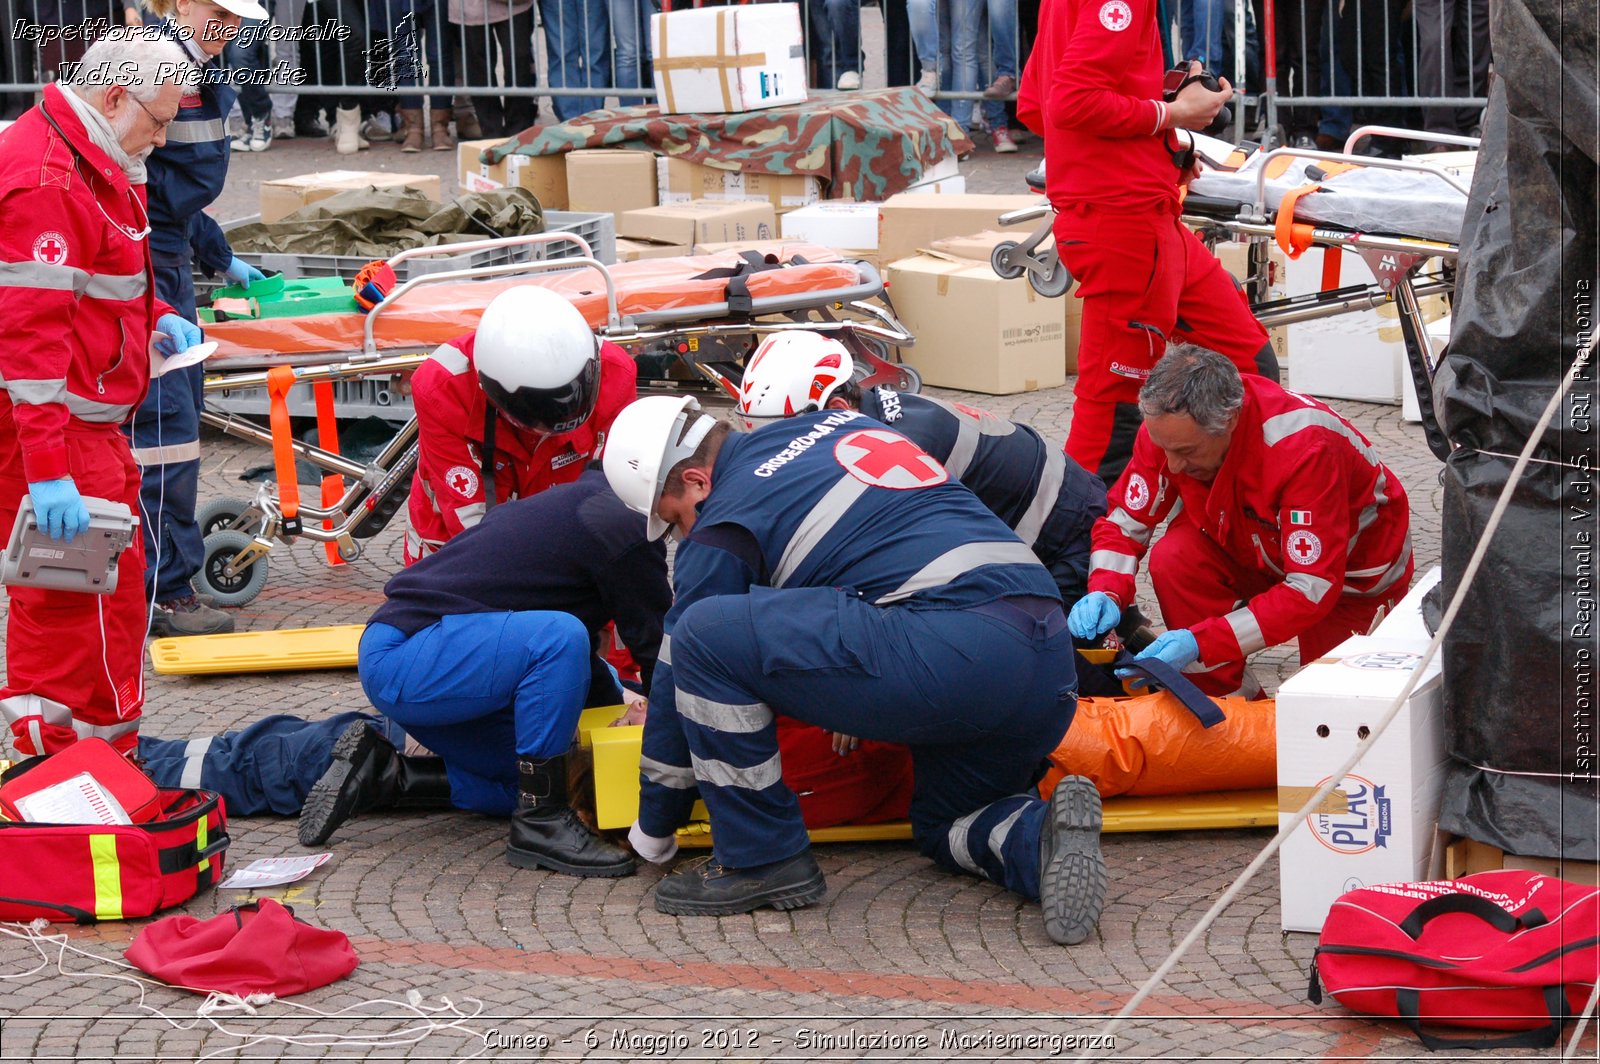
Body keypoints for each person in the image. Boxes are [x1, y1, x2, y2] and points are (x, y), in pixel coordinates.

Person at [603, 394, 1107, 946]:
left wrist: (654, 826)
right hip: (1047, 658)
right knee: (948, 823)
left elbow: (683, 664)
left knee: (702, 634)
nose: (683, 538)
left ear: (698, 482)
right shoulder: (836, 424)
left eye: (675, 522)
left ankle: (760, 858)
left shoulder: (726, 519)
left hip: (952, 653)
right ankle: (1038, 840)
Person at [0, 30, 189, 756]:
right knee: (80, 608)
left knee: (80, 604)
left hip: (78, 423)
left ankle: (75, 760)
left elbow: (90, 284)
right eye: (160, 119)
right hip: (62, 428)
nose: (163, 137)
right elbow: (32, 342)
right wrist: (47, 470)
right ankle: (73, 769)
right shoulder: (50, 180)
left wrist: (156, 320)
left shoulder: (90, 155)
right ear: (114, 97)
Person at [336, 468, 669, 875]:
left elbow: (588, 677)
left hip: (416, 658)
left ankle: (389, 776)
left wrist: (619, 705)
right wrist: (661, 720)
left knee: (556, 780)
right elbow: (655, 651)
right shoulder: (623, 526)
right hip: (406, 653)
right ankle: (540, 827)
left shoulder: (590, 502)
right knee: (558, 638)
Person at [1016, 0, 1279, 485]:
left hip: (1145, 219)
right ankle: (1073, 549)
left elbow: (1036, 106)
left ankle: (1233, 522)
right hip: (1125, 224)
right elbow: (1068, 104)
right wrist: (1171, 113)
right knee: (1116, 410)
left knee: (1249, 368)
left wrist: (1161, 141)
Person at [1069, 344, 1414, 697]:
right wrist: (1106, 591)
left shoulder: (1304, 448)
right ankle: (1228, 711)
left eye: (1186, 453)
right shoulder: (1171, 430)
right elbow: (1126, 523)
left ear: (1229, 420)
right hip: (1249, 540)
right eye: (1165, 450)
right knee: (1176, 558)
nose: (1171, 467)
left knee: (1330, 706)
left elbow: (1311, 588)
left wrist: (1202, 641)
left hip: (1349, 577)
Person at [735, 332, 1109, 612]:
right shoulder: (870, 419)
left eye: (791, 438)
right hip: (1055, 512)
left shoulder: (897, 449)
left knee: (1052, 664)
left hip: (1068, 537)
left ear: (836, 407)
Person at [133, 0, 273, 639]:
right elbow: (133, 184)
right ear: (183, 4)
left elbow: (174, 192)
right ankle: (164, 592)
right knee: (167, 430)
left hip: (167, 251)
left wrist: (219, 255)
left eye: (239, 19)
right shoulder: (154, 66)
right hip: (142, 257)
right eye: (219, 12)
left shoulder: (203, 65)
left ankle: (162, 575)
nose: (230, 28)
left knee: (176, 419)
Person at [403, 285, 636, 563]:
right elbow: (469, 518)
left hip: (572, 540)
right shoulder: (443, 389)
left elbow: (617, 492)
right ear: (492, 391)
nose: (548, 430)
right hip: (459, 544)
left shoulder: (616, 375)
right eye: (540, 415)